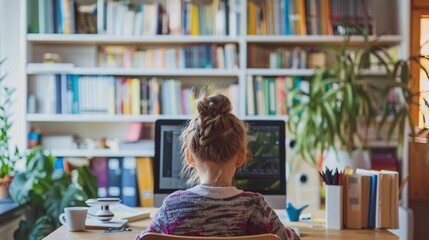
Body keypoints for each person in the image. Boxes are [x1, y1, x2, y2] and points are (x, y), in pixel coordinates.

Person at [135, 93, 300, 240]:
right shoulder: (255, 207)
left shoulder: (172, 207)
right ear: (241, 157)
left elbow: (146, 238)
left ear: (189, 157)